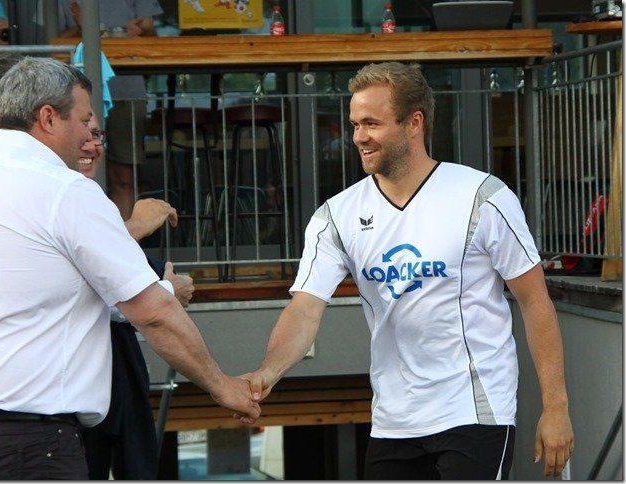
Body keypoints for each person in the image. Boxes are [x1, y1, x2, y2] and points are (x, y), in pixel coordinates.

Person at [241, 62, 574, 480]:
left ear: (414, 123)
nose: (358, 136)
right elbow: (305, 309)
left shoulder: (482, 197)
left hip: (475, 411)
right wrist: (268, 371)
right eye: (355, 124)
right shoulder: (336, 216)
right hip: (393, 421)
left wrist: (555, 407)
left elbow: (535, 302)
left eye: (372, 123)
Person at [0, 57, 258, 480]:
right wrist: (223, 386)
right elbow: (152, 313)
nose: (90, 136)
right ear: (48, 118)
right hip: (31, 444)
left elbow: (51, 292)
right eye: (84, 121)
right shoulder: (65, 190)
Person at [75, 116, 193, 479]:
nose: (92, 144)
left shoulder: (88, 197)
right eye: (81, 129)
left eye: (97, 133)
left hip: (100, 378)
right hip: (49, 406)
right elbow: (87, 292)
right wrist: (167, 290)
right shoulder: (41, 194)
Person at [58, 0, 163, 220]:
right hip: (71, 96)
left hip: (126, 91)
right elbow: (46, 44)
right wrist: (79, 29)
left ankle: (126, 238)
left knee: (124, 177)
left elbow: (151, 33)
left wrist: (138, 32)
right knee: (72, 177)